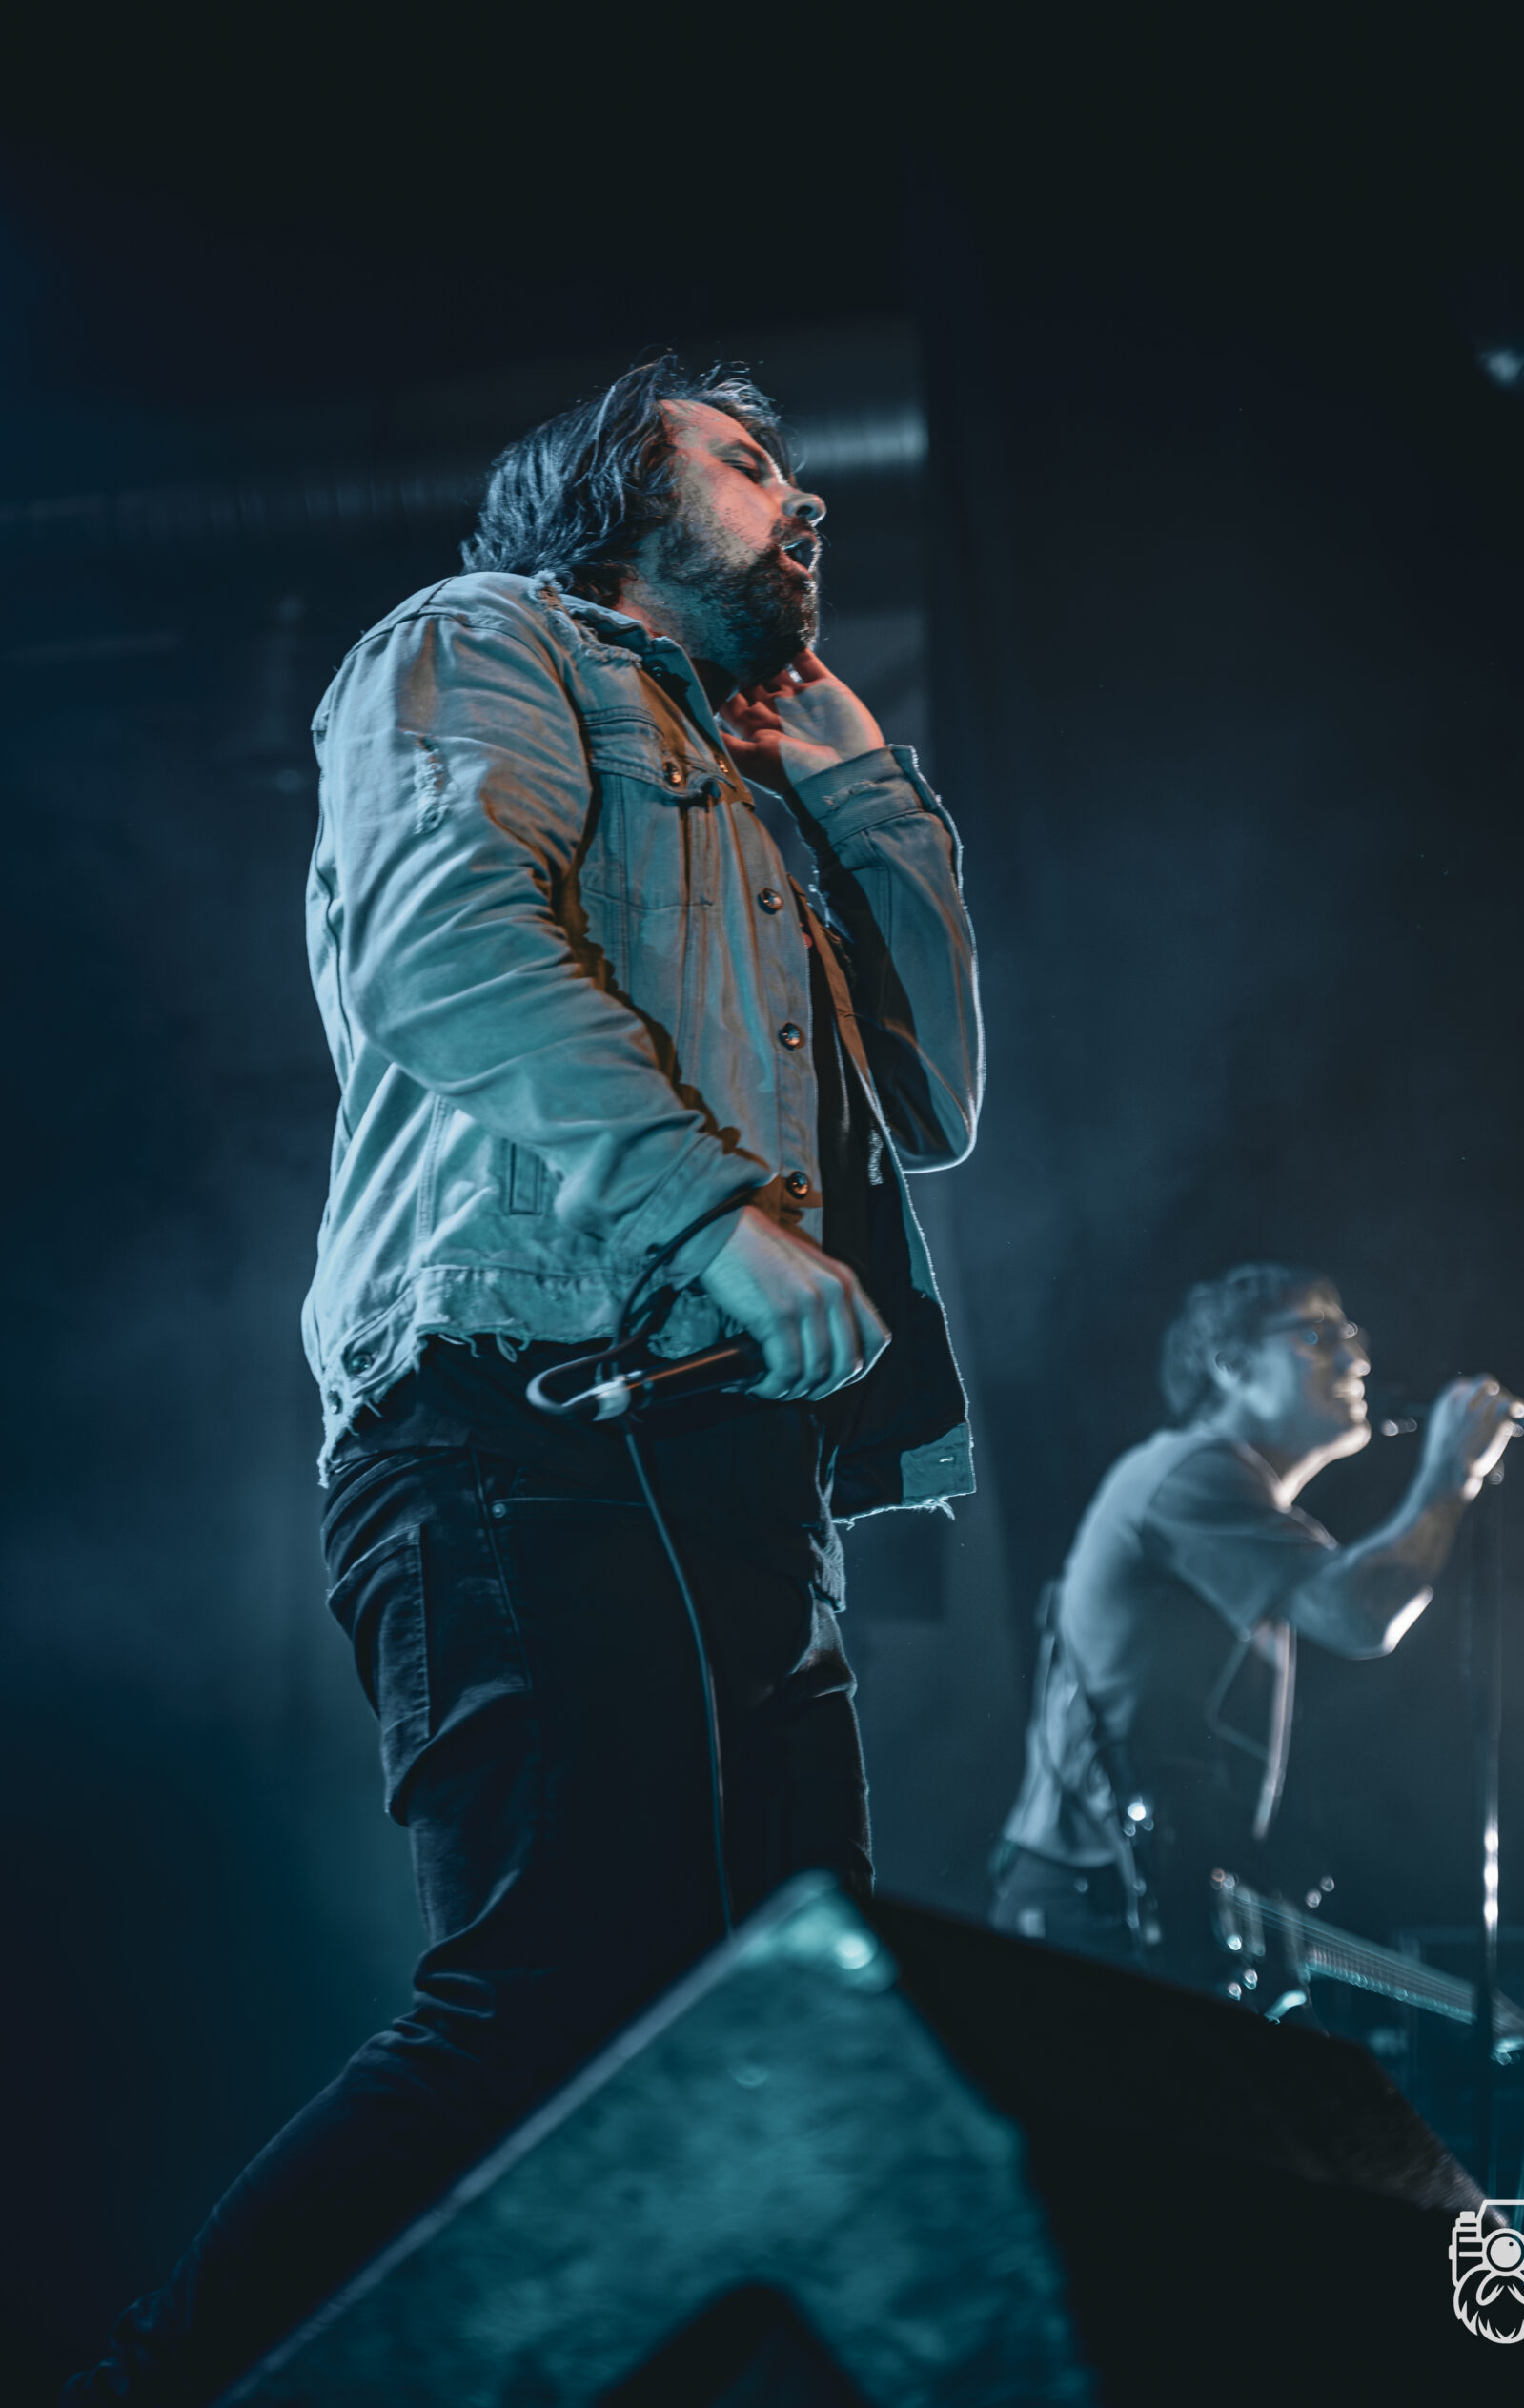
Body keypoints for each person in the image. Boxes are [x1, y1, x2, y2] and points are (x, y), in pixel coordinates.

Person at [67, 357, 981, 2402]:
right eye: (742, 463)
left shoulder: (759, 783)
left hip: (735, 1461)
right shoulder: (481, 641)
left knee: (775, 2021)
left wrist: (863, 788)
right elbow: (441, 937)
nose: (799, 499)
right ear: (611, 495)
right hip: (517, 1408)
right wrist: (713, 1217)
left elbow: (936, 1098)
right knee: (552, 1992)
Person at [991, 1262, 1522, 1991]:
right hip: (1097, 1917)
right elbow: (1357, 1614)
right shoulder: (1190, 1472)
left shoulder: (1243, 1508)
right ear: (1232, 1366)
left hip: (1136, 1905)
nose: (1357, 1360)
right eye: (1318, 1336)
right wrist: (1450, 1476)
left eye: (1352, 1336)